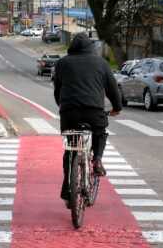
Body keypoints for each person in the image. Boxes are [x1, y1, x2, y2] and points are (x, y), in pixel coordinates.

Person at [52, 33, 122, 204]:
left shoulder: (62, 63)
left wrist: (63, 106)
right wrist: (116, 108)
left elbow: (57, 90)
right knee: (99, 133)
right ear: (91, 47)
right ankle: (97, 160)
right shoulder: (101, 63)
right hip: (94, 111)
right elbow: (113, 89)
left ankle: (68, 190)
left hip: (69, 113)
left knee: (70, 150)